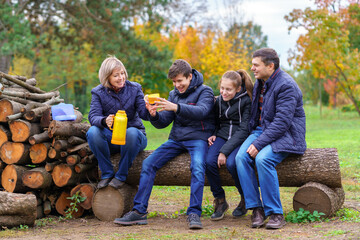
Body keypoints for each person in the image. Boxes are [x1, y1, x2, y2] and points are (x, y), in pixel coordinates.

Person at [114, 59, 215, 229]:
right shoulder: (173, 94)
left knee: (198, 167)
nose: (177, 85)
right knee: (148, 163)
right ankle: (139, 212)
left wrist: (175, 107)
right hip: (176, 139)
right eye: (174, 82)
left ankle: (194, 213)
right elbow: (164, 122)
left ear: (190, 76)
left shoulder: (205, 91)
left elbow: (202, 112)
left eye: (180, 81)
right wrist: (154, 115)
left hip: (198, 138)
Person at [235, 48, 306, 229]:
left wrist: (258, 143)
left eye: (256, 65)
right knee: (240, 157)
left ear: (270, 66)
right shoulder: (262, 81)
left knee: (263, 159)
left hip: (286, 134)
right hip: (263, 130)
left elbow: (282, 123)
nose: (252, 68)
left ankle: (275, 212)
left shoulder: (286, 85)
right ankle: (256, 209)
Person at [86, 56, 149, 190]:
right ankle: (107, 173)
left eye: (122, 73)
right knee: (93, 131)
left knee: (131, 132)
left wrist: (150, 110)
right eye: (116, 75)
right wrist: (104, 120)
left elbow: (143, 113)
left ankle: (121, 175)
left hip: (134, 138)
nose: (121, 78)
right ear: (107, 77)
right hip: (112, 138)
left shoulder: (135, 88)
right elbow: (93, 116)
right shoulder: (98, 92)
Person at [205, 70, 253, 221]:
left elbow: (244, 129)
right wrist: (213, 133)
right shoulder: (219, 101)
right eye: (222, 88)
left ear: (238, 89)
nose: (224, 92)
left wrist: (224, 152)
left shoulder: (246, 101)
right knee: (209, 162)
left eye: (228, 89)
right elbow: (216, 121)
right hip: (222, 135)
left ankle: (245, 198)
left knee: (232, 163)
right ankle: (220, 200)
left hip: (240, 137)